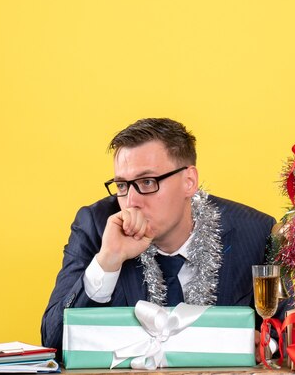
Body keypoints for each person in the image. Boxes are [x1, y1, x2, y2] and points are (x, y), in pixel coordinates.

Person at [41, 118, 277, 355]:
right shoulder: (96, 226)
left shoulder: (255, 231)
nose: (131, 202)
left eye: (147, 182)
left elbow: (292, 331)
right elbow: (52, 341)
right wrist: (108, 261)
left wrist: (269, 346)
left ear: (189, 182)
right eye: (122, 185)